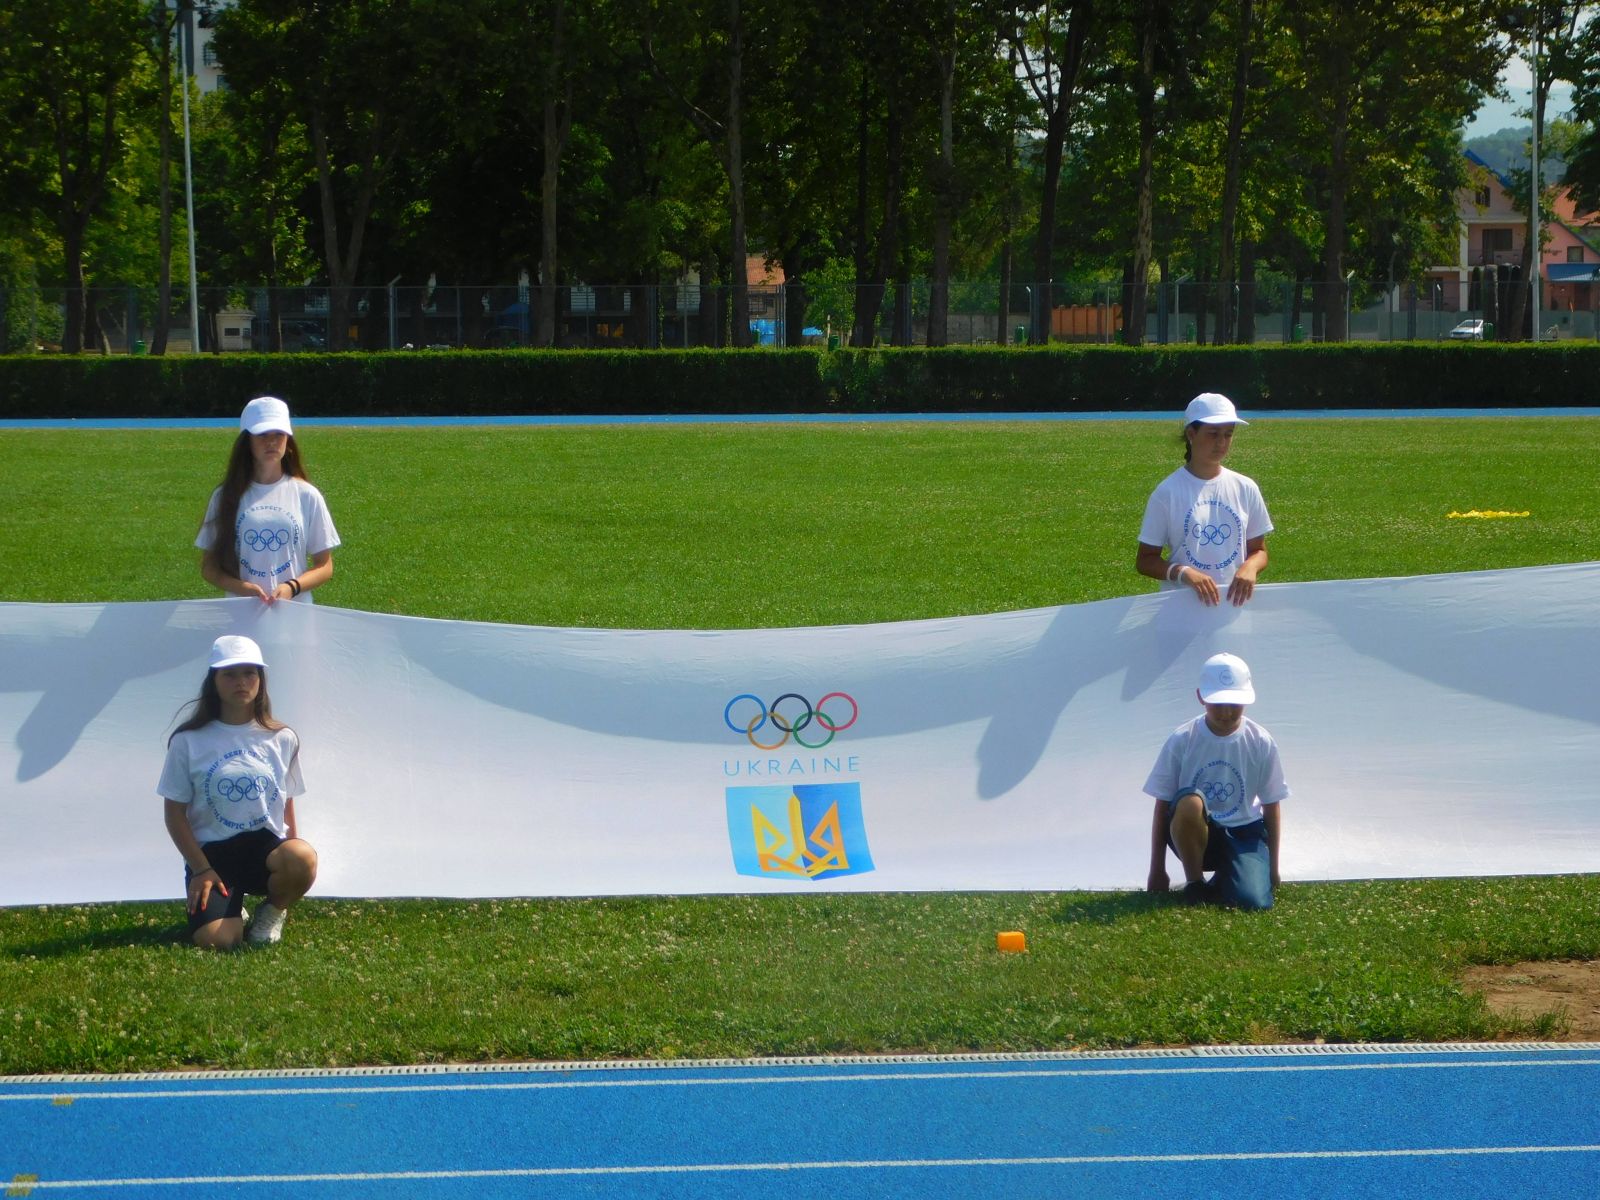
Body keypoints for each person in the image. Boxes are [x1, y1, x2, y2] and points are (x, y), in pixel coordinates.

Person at [158, 635, 318, 948]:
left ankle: (273, 910)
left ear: (261, 680)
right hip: (212, 857)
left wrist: (292, 860)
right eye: (229, 674)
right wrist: (201, 869)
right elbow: (174, 814)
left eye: (250, 673)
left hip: (264, 849)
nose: (241, 682)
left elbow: (286, 804)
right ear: (213, 681)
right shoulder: (188, 741)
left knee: (302, 856)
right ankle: (231, 908)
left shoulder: (282, 737)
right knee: (220, 942)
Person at [1143, 652, 1288, 909]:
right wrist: (1157, 870)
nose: (1226, 712)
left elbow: (1272, 804)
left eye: (1235, 703)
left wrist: (1273, 871)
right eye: (1217, 703)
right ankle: (1195, 883)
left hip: (1245, 832)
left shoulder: (1260, 741)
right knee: (1190, 802)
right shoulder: (1182, 739)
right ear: (1201, 697)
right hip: (1197, 833)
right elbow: (1162, 804)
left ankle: (1231, 874)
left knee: (1252, 902)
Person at [198, 396, 340, 605]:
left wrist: (292, 587)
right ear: (247, 441)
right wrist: (242, 588)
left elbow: (325, 566)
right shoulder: (225, 496)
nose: (271, 442)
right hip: (241, 614)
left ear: (288, 441)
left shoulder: (307, 495)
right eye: (262, 435)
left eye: (279, 435)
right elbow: (209, 567)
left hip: (294, 615)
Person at [1136, 392, 1271, 606]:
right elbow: (1145, 560)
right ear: (1191, 433)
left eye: (1228, 434)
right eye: (1213, 433)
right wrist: (1184, 573)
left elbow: (1259, 550)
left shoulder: (1246, 487)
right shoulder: (1167, 492)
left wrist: (1250, 567)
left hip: (1233, 609)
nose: (1221, 443)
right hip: (1182, 611)